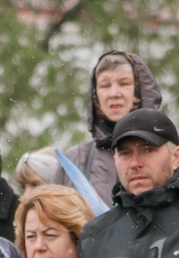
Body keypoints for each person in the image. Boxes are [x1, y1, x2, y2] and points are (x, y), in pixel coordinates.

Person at [78, 109, 179, 258]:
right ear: (115, 161)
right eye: (125, 153)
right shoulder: (94, 235)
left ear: (176, 158)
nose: (135, 163)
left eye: (148, 150)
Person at [59, 50, 161, 209]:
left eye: (124, 83)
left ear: (140, 91)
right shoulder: (75, 160)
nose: (114, 93)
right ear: (95, 95)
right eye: (105, 85)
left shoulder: (175, 148)